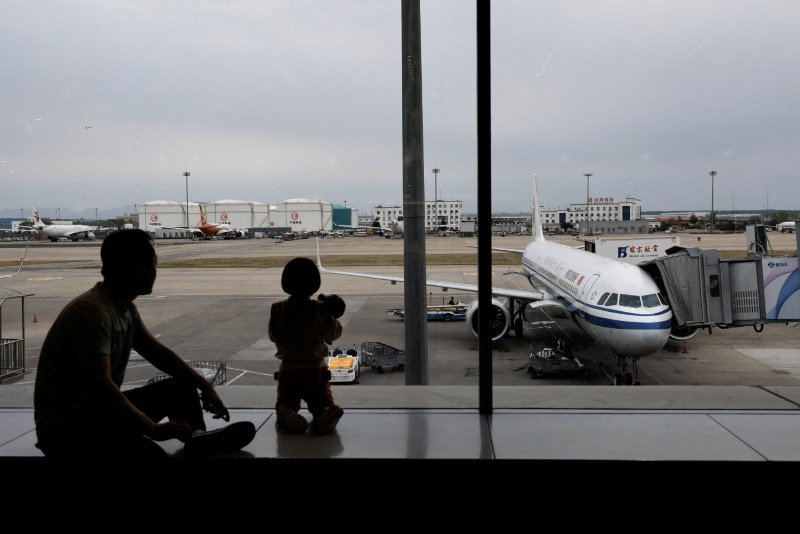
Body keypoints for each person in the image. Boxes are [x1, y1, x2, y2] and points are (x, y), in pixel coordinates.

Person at [33, 229, 255, 459]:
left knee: (180, 385)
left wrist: (204, 385)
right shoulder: (91, 312)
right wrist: (152, 428)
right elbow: (99, 386)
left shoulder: (123, 307)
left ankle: (197, 437)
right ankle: (193, 439)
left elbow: (157, 352)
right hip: (69, 427)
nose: (156, 272)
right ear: (140, 268)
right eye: (154, 264)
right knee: (153, 456)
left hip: (96, 412)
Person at [269, 257, 344, 434]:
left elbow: (273, 336)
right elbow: (332, 334)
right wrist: (333, 317)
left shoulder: (277, 309)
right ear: (315, 285)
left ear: (285, 283)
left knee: (286, 400)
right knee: (321, 402)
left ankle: (286, 412)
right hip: (314, 368)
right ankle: (326, 414)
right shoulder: (319, 310)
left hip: (288, 368)